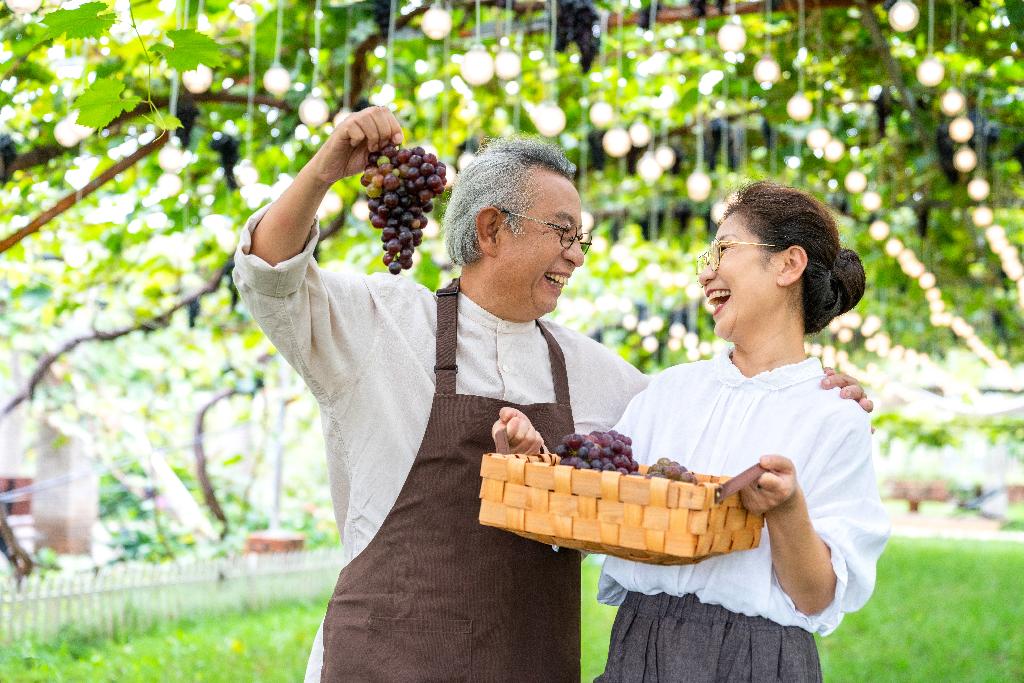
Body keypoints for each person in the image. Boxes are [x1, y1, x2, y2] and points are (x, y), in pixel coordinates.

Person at [231, 106, 872, 681]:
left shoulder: (599, 374)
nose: (578, 256)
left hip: (534, 663)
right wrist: (320, 172)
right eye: (563, 232)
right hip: (388, 660)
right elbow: (271, 280)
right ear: (490, 230)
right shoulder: (384, 325)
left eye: (581, 238)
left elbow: (703, 432)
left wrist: (808, 389)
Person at [590, 182, 891, 682]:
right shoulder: (671, 390)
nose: (706, 271)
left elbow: (815, 597)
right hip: (640, 646)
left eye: (724, 249)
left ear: (788, 265)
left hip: (755, 659)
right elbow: (601, 487)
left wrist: (787, 508)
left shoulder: (834, 415)